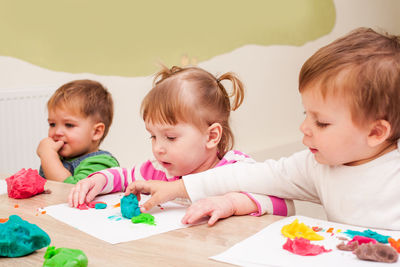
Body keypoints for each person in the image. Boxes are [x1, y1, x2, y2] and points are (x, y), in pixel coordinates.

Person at [126, 27, 400, 230]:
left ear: (376, 133)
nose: (304, 128)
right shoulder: (316, 166)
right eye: (307, 114)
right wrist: (177, 190)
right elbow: (247, 176)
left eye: (322, 122)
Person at [68, 65, 295, 220]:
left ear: (211, 136)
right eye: (153, 136)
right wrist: (98, 179)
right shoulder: (159, 171)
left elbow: (283, 205)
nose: (158, 148)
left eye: (171, 137)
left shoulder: (236, 169)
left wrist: (232, 203)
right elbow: (125, 177)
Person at [37, 79, 119, 184]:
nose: (57, 132)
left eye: (69, 125)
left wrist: (48, 155)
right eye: (52, 124)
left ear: (96, 132)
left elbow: (71, 191)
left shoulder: (101, 164)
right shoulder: (57, 158)